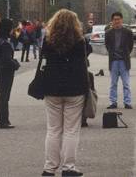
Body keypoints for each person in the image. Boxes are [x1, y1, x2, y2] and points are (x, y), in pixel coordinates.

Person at [38, 9, 91, 177]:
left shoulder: (48, 41)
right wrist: (86, 88)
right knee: (71, 130)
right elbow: (83, 66)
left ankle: (49, 168)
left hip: (52, 89)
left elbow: (43, 63)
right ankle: (68, 168)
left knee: (53, 129)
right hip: (74, 90)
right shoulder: (79, 41)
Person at [0, 19, 18, 129]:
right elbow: (7, 60)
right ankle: (3, 121)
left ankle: (2, 119)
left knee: (3, 95)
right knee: (5, 97)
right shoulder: (5, 43)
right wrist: (16, 64)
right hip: (6, 72)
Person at [104, 11, 134, 109]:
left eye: (118, 19)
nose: (116, 21)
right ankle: (113, 102)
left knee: (126, 83)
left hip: (124, 61)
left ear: (121, 20)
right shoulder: (108, 33)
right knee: (113, 83)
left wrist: (125, 54)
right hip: (113, 61)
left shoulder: (128, 32)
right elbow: (107, 46)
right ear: (112, 21)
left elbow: (130, 46)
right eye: (114, 19)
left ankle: (127, 102)